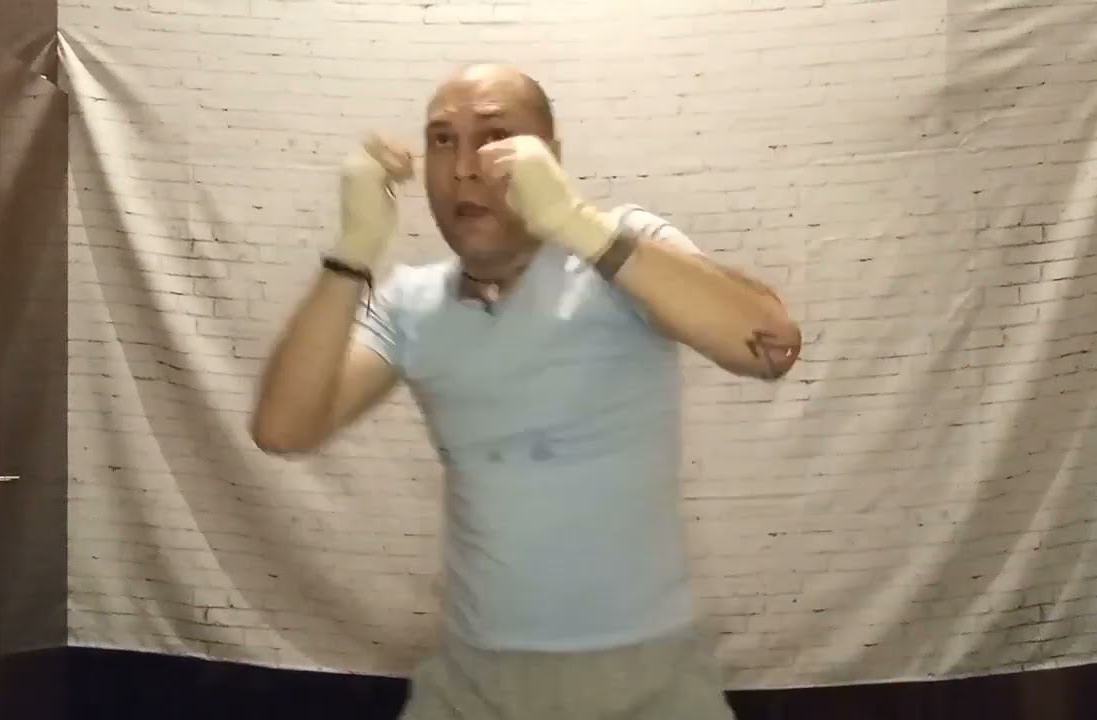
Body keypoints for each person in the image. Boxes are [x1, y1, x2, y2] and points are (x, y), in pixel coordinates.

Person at [251, 63, 802, 720]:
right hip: (473, 681)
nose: (464, 168)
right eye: (442, 141)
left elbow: (769, 345)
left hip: (650, 679)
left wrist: (575, 221)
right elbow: (283, 429)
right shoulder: (411, 303)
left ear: (550, 155)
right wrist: (352, 249)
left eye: (493, 137)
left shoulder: (620, 249)